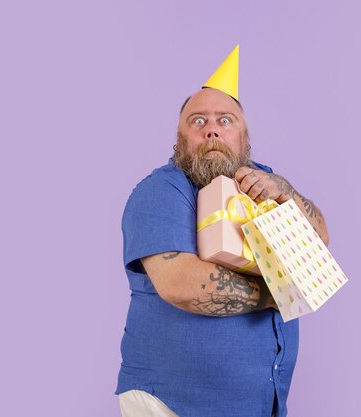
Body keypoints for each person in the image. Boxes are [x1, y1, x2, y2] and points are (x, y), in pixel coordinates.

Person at [115, 46, 329, 417]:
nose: (212, 127)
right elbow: (181, 285)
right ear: (179, 139)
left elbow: (320, 239)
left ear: (245, 138)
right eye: (197, 121)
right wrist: (284, 291)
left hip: (254, 405)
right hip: (175, 402)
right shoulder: (163, 191)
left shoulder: (263, 184)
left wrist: (286, 192)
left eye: (225, 120)